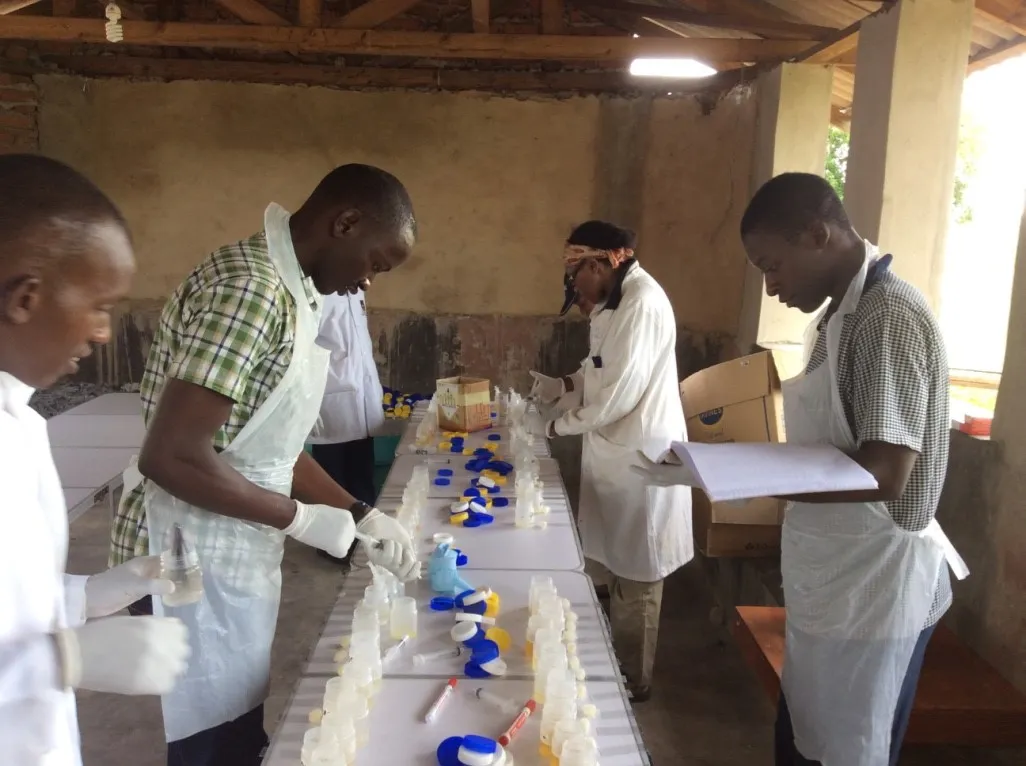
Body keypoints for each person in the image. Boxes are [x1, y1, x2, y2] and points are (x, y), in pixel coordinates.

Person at [637, 172, 969, 766]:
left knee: (849, 748)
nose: (770, 288)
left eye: (773, 266)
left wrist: (745, 476)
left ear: (817, 235)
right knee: (806, 740)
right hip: (839, 577)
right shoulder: (841, 316)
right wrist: (719, 465)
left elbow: (886, 474)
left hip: (877, 582)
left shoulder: (886, 316)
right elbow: (833, 446)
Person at [107, 164, 421, 766]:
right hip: (184, 554)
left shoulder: (292, 290)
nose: (367, 282)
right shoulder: (253, 290)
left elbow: (265, 443)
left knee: (235, 725)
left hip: (228, 547)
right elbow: (171, 455)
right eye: (375, 262)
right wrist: (300, 520)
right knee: (208, 739)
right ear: (345, 223)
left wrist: (358, 512)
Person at [0, 154, 190, 766]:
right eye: (100, 305)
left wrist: (89, 596)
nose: (105, 332)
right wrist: (62, 659)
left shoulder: (21, 421)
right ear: (27, 297)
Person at [527, 220, 693, 702]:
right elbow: (599, 369)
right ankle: (603, 660)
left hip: (641, 454)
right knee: (611, 561)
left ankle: (633, 683)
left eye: (576, 275)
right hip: (614, 449)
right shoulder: (614, 303)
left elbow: (618, 396)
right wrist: (564, 386)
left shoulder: (641, 303)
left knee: (638, 574)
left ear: (598, 263)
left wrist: (556, 426)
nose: (575, 288)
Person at [307, 278, 385, 567]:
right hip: (330, 402)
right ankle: (334, 546)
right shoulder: (317, 291)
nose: (368, 277)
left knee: (361, 475)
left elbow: (359, 348)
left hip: (359, 401)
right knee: (333, 480)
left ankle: (364, 541)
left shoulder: (356, 290)